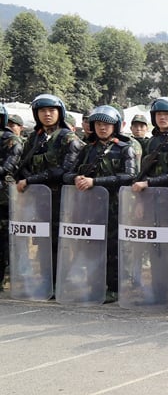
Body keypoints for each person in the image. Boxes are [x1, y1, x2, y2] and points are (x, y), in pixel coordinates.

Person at [63, 106, 138, 302]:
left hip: (116, 206)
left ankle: (114, 288)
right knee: (91, 246)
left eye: (106, 124)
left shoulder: (125, 149)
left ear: (115, 126)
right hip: (90, 206)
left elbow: (129, 176)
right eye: (98, 124)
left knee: (114, 248)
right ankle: (94, 284)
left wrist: (95, 182)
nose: (102, 128)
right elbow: (67, 172)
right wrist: (77, 178)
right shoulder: (88, 149)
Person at [13, 94, 83, 284]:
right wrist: (26, 179)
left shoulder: (68, 138)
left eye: (52, 110)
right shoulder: (35, 138)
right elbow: (22, 163)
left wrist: (31, 180)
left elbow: (65, 170)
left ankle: (58, 281)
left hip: (61, 199)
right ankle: (45, 280)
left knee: (59, 242)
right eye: (42, 111)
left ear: (60, 113)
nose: (47, 114)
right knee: (40, 240)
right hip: (37, 199)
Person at [0, 104, 25, 289]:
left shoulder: (11, 140)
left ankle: (9, 278)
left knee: (8, 241)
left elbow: (9, 167)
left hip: (5, 199)